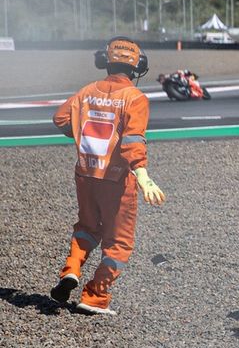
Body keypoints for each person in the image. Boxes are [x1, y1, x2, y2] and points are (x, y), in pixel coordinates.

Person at [50, 37, 166, 316]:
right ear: (138, 67)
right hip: (116, 181)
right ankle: (94, 296)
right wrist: (144, 176)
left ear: (105, 61)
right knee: (119, 244)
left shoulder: (87, 91)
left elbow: (61, 119)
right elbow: (133, 140)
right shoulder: (135, 98)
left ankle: (72, 268)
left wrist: (80, 129)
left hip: (85, 174)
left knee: (87, 227)